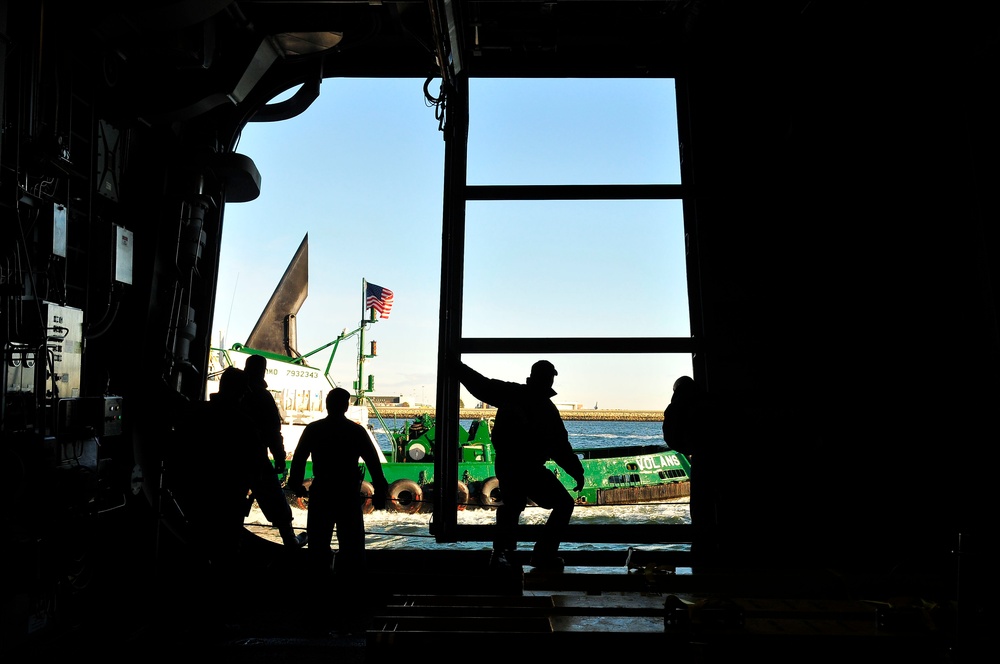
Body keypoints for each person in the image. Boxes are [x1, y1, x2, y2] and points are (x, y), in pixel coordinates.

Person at [458, 360, 585, 572]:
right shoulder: (546, 408)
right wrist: (576, 471)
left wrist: (458, 367)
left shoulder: (511, 394)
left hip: (509, 465)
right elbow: (560, 446)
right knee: (563, 505)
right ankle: (542, 555)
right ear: (549, 379)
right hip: (530, 467)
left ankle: (501, 555)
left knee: (512, 508)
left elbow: (481, 385)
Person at [285, 387, 389, 575]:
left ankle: (318, 584)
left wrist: (296, 483)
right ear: (346, 407)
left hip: (321, 491)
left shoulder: (313, 429)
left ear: (327, 405)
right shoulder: (356, 431)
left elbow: (299, 459)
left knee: (317, 542)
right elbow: (373, 462)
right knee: (352, 544)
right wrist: (381, 490)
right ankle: (352, 586)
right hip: (347, 492)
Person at [242, 354, 301, 547]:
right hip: (256, 458)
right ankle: (289, 540)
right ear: (262, 371)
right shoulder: (262, 396)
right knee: (276, 501)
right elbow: (272, 431)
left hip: (228, 459)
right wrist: (280, 458)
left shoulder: (238, 395)